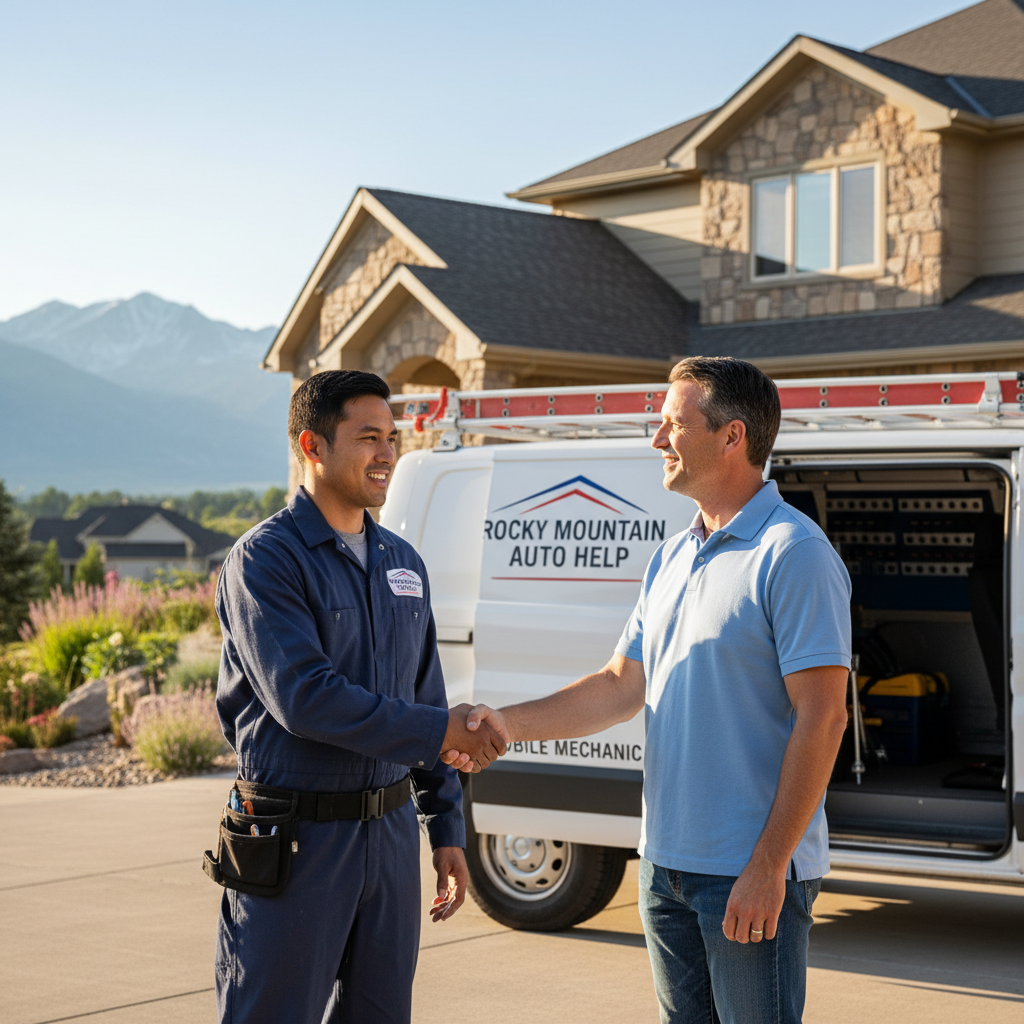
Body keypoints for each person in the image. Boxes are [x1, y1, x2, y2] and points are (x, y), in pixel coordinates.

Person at [444, 357, 852, 1024]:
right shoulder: (671, 555)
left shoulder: (793, 554)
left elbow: (825, 720)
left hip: (747, 873)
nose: (657, 441)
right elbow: (618, 686)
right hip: (665, 868)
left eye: (672, 424)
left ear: (732, 437)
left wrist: (769, 865)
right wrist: (503, 724)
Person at [213, 369, 506, 1024]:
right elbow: (305, 698)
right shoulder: (266, 561)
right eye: (368, 438)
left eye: (392, 437)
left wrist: (445, 826)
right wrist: (442, 732)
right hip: (297, 841)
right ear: (312, 447)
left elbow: (425, 692)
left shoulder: (402, 561)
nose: (387, 454)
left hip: (391, 839)